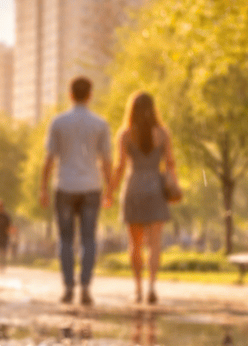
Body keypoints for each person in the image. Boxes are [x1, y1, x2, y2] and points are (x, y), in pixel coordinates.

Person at [40, 76, 113, 306]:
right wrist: (110, 188)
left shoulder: (58, 122)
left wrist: (43, 187)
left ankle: (69, 287)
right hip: (91, 187)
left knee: (65, 240)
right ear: (90, 95)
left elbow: (49, 159)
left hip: (65, 187)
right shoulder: (100, 124)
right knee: (89, 239)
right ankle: (85, 288)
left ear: (70, 94)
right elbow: (107, 160)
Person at [112, 91, 178, 304]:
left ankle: (138, 289)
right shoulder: (163, 134)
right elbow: (170, 163)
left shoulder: (125, 134)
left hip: (133, 188)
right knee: (155, 243)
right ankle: (152, 287)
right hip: (156, 190)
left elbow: (120, 166)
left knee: (135, 244)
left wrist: (110, 190)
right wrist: (173, 183)